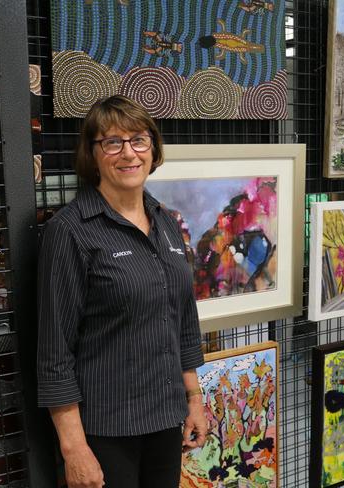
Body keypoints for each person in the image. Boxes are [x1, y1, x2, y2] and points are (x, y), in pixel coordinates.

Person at [37, 95, 206, 488]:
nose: (128, 152)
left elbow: (182, 320)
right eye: (112, 142)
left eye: (139, 140)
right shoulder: (71, 231)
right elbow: (54, 353)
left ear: (153, 148)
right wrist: (73, 449)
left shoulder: (165, 222)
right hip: (106, 433)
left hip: (166, 419)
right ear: (93, 154)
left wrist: (194, 399)